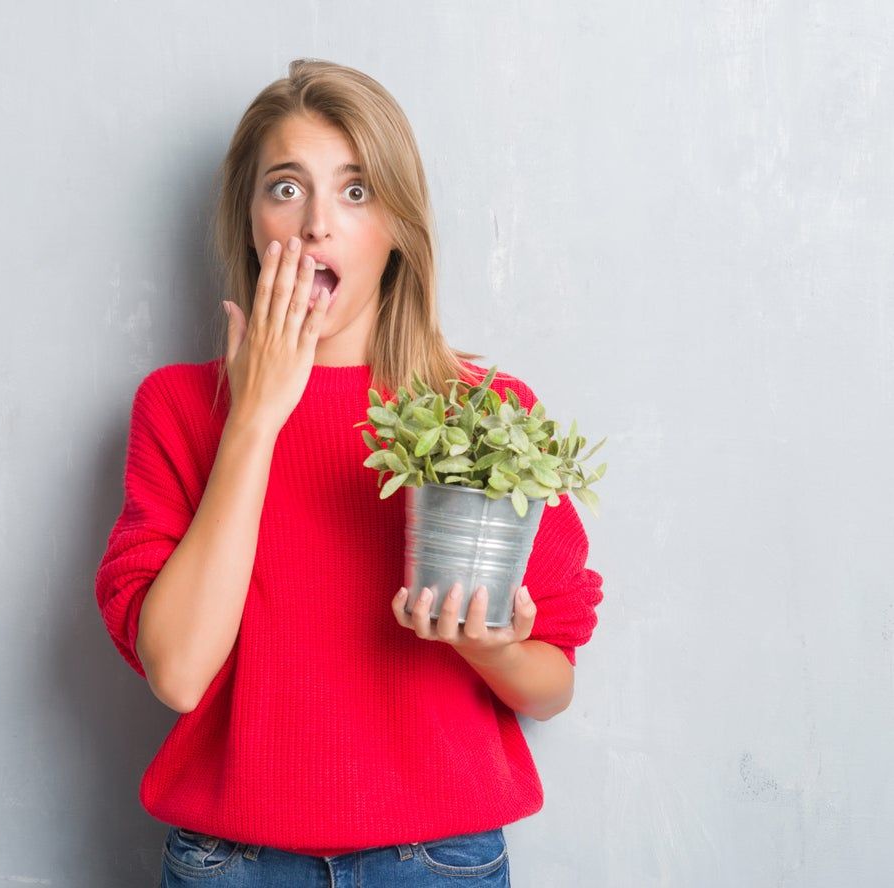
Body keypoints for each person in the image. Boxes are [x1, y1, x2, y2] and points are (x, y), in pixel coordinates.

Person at [94, 58, 604, 887]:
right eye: (286, 189)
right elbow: (179, 674)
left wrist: (494, 649)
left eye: (356, 191)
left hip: (437, 863)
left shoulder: (484, 413)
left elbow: (550, 688)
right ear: (251, 219)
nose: (315, 225)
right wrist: (256, 416)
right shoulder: (181, 407)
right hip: (232, 866)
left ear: (398, 227)